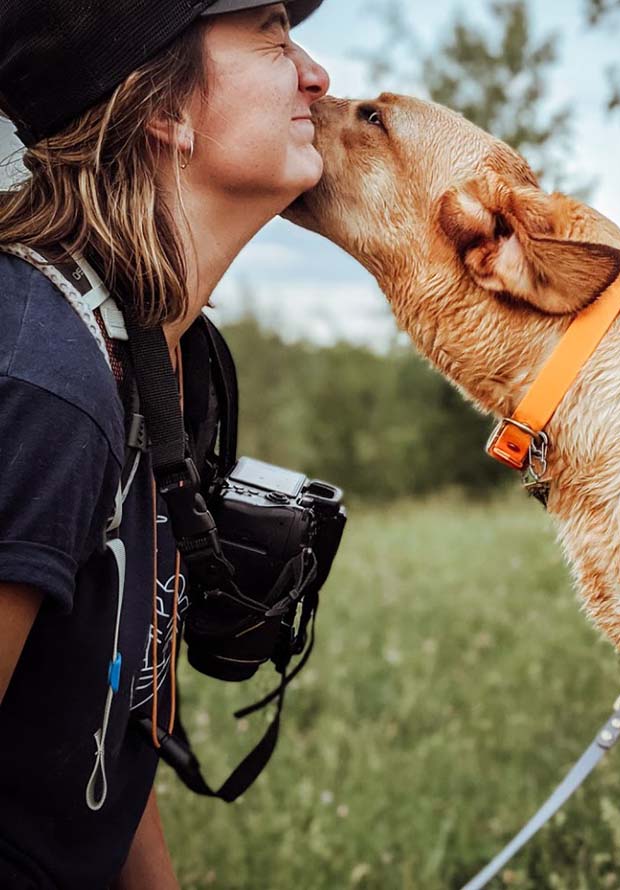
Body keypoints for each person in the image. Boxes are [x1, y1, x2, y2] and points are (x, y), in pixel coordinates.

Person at [0, 2, 329, 887]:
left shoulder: (159, 358)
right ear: (163, 110)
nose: (316, 74)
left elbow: (109, 703)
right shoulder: (41, 383)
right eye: (269, 35)